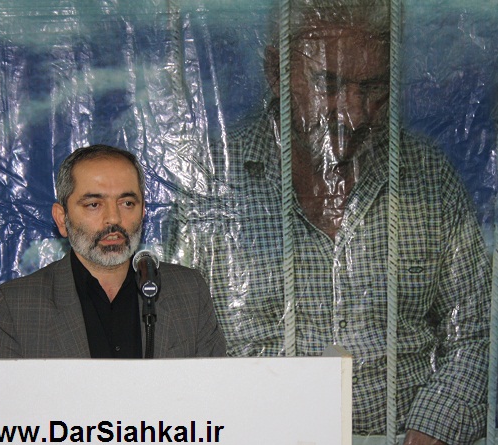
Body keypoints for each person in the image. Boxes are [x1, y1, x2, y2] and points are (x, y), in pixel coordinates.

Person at [169, 2, 491, 444]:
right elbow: (175, 342)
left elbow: (476, 329)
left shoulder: (427, 177)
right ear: (276, 72)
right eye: (329, 84)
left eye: (373, 87)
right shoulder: (211, 181)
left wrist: (434, 428)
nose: (354, 114)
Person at [0, 144, 226, 429]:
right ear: (62, 219)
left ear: (143, 212)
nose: (113, 219)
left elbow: (217, 409)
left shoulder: (188, 291)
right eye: (94, 204)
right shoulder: (16, 305)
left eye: (127, 203)